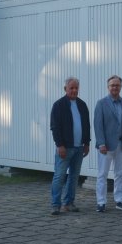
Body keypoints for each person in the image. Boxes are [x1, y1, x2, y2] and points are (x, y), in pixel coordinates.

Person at [93, 75, 122, 213]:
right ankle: (101, 202)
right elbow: (98, 125)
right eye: (112, 85)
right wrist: (101, 144)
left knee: (119, 173)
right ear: (108, 87)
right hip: (106, 146)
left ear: (121, 87)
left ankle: (120, 201)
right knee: (102, 174)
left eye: (117, 85)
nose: (115, 87)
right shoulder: (101, 103)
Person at [49, 77, 91, 216]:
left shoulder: (82, 105)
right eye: (71, 88)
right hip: (65, 148)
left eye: (76, 88)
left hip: (79, 148)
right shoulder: (59, 105)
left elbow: (86, 125)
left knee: (74, 176)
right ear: (65, 89)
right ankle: (56, 204)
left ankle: (69, 203)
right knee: (59, 176)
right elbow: (55, 127)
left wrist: (87, 143)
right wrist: (59, 145)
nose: (74, 90)